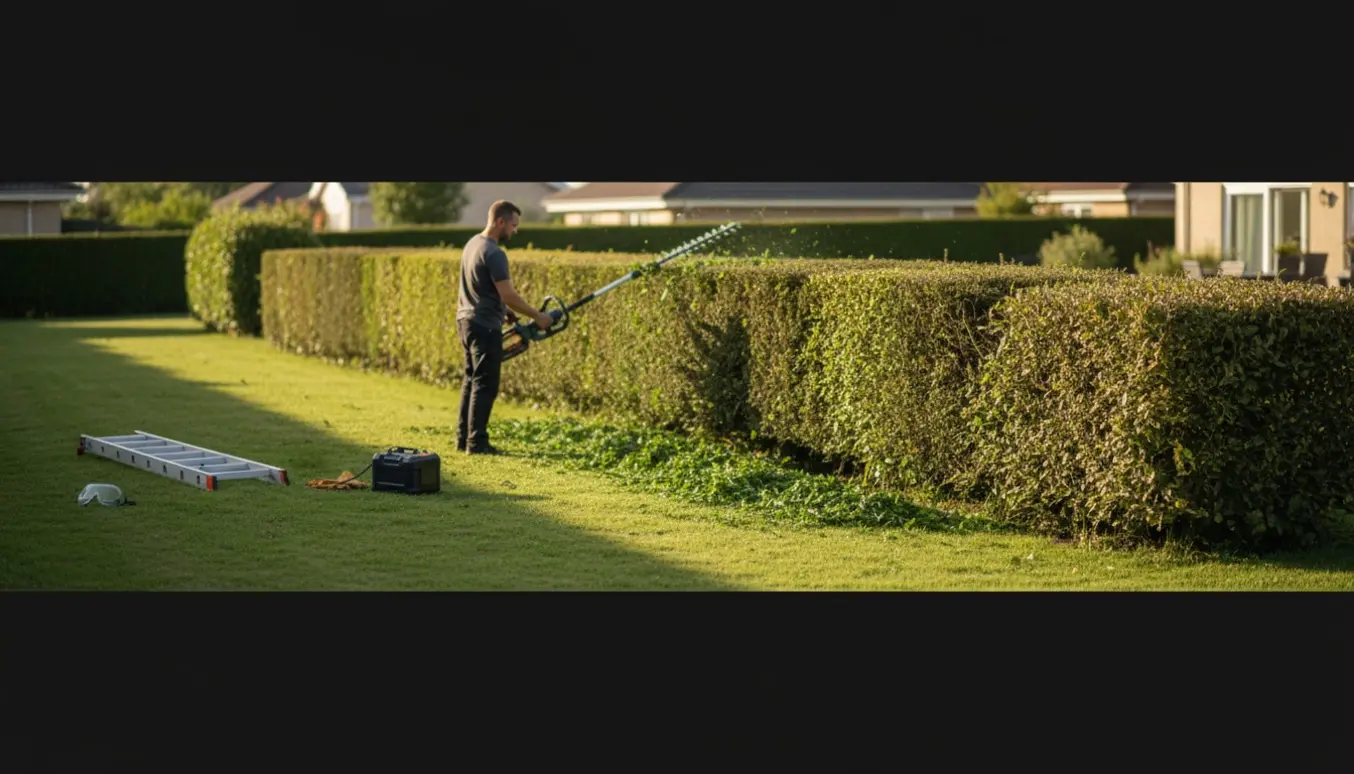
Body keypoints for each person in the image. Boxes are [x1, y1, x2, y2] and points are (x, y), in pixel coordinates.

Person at [455, 200, 554, 455]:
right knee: (486, 383)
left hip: (466, 321)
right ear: (500, 221)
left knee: (471, 379)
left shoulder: (472, 244)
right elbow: (507, 293)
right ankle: (477, 443)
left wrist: (506, 311)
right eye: (513, 224)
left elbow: (482, 288)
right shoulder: (495, 253)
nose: (514, 230)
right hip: (485, 325)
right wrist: (537, 315)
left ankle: (463, 438)